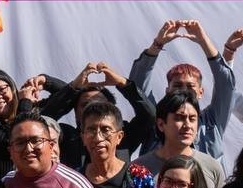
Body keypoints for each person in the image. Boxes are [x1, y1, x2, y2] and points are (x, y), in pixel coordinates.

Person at [128, 19, 236, 159]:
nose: (184, 91)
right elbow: (137, 86)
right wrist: (157, 45)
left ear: (200, 92)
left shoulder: (213, 121)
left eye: (191, 86)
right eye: (178, 85)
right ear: (167, 91)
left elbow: (226, 84)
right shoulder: (155, 119)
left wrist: (203, 40)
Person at [27, 60, 156, 169]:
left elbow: (149, 115)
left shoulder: (124, 135)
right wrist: (73, 86)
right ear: (75, 112)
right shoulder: (65, 136)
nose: (93, 108)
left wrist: (123, 83)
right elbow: (39, 123)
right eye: (85, 105)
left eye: (100, 104)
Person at [3, 116, 121, 188]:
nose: (28, 149)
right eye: (20, 143)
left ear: (51, 146)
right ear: (10, 152)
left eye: (36, 141)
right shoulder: (3, 185)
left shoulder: (74, 185)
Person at [78, 100, 157, 188]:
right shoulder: (75, 179)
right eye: (91, 130)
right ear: (83, 137)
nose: (98, 138)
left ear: (119, 137)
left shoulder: (139, 177)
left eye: (105, 130)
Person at [134, 91, 225, 188]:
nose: (188, 126)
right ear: (161, 124)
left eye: (192, 119)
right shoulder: (139, 168)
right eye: (179, 118)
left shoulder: (211, 167)